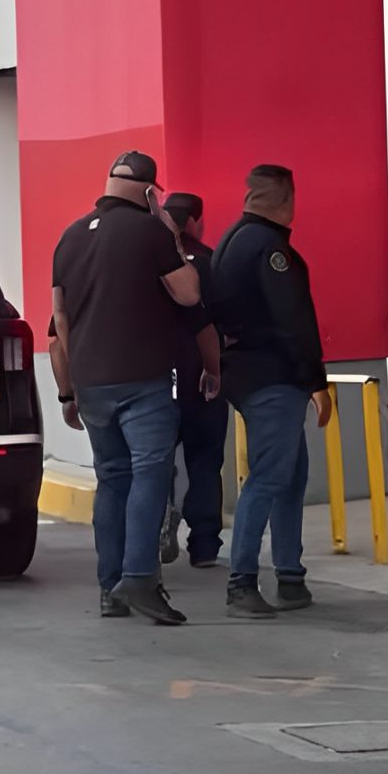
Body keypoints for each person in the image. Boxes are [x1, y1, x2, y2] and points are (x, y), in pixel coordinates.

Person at [51, 151, 215, 625]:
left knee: (112, 480)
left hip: (91, 383)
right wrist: (169, 233)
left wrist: (69, 389)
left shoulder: (69, 237)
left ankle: (112, 589)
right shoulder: (150, 231)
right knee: (150, 473)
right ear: (149, 192)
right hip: (142, 380)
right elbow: (188, 293)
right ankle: (141, 579)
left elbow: (60, 320)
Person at [210, 165, 331, 618]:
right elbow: (292, 320)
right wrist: (316, 381)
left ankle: (291, 577)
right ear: (287, 199)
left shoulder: (231, 240)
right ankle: (241, 582)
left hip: (244, 374)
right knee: (268, 477)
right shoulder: (271, 249)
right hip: (272, 378)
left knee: (290, 474)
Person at [159, 192, 229, 569]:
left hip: (156, 379)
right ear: (193, 222)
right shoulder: (209, 261)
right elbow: (221, 322)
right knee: (205, 460)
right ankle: (203, 545)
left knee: (158, 458)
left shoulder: (151, 260)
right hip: (203, 378)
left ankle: (162, 517)